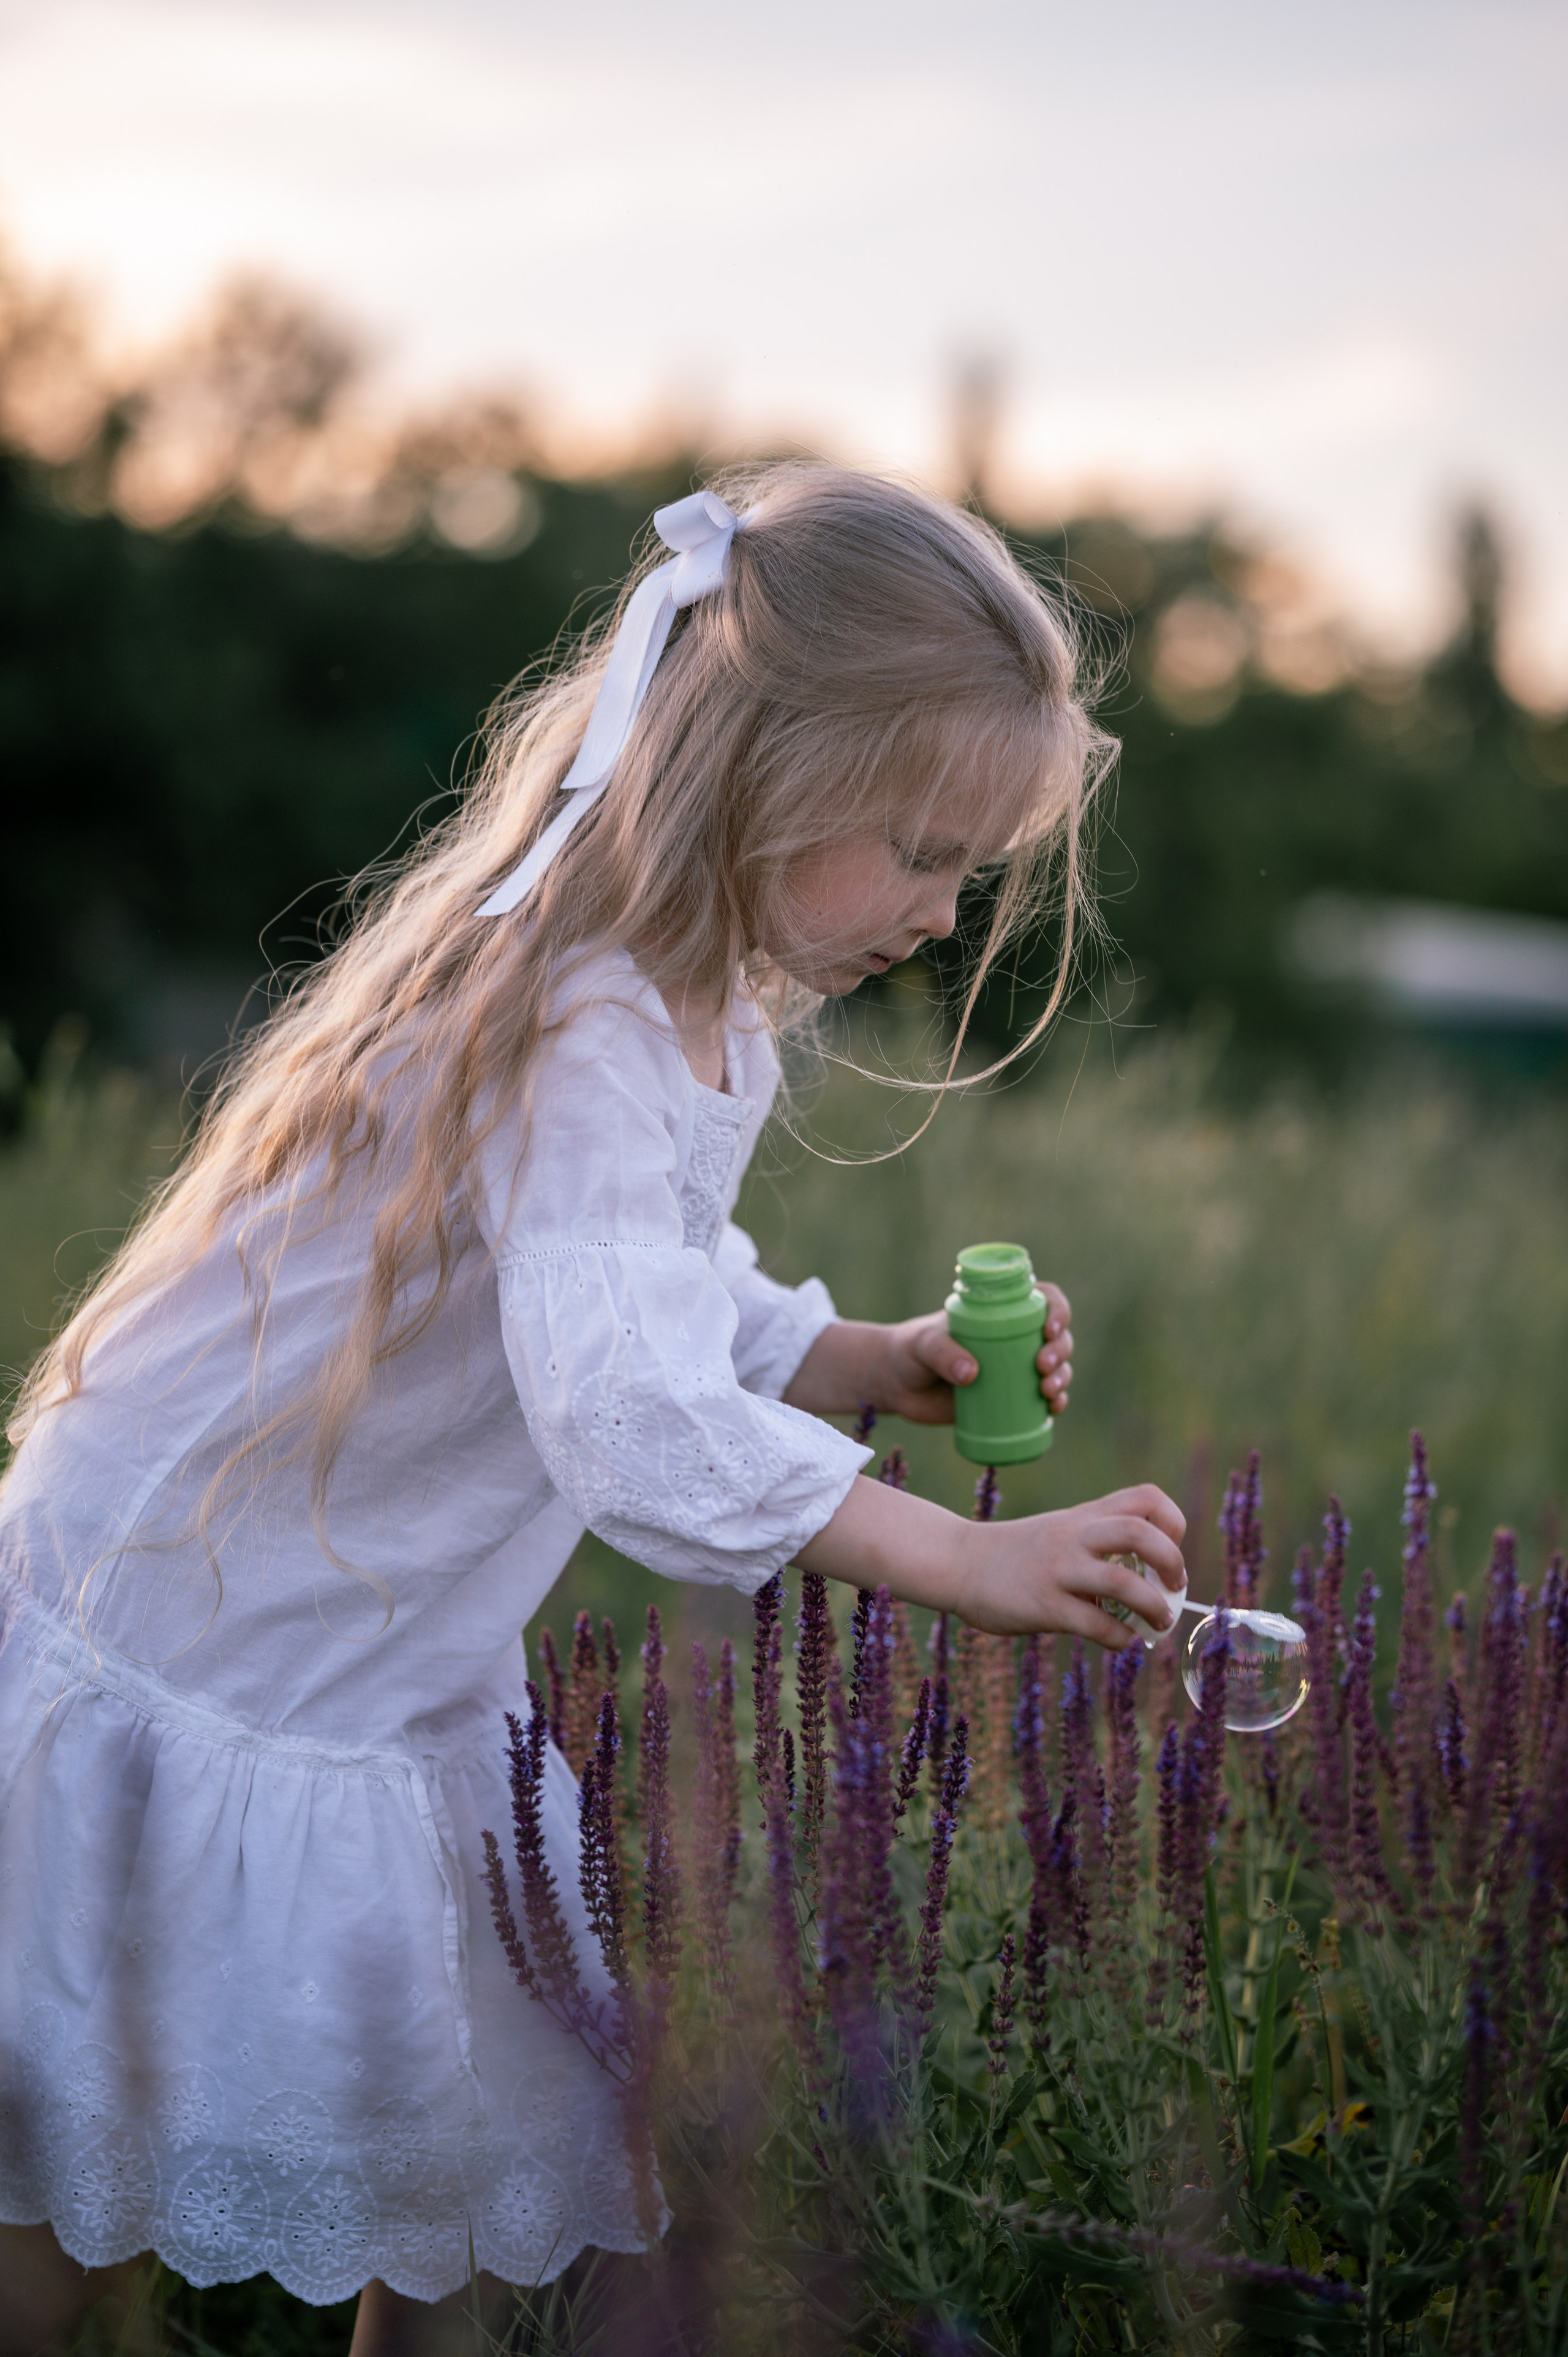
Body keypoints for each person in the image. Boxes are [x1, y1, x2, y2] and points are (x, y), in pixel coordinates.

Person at [0, 462, 1186, 2353]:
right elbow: (618, 1409)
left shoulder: (695, 997)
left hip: (361, 1647)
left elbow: (637, 1277)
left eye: (972, 867)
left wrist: (850, 1359)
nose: (948, 912)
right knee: (64, 2174)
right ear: (763, 782)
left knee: (468, 2174)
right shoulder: (591, 1014)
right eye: (923, 851)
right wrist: (959, 1556)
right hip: (201, 1633)